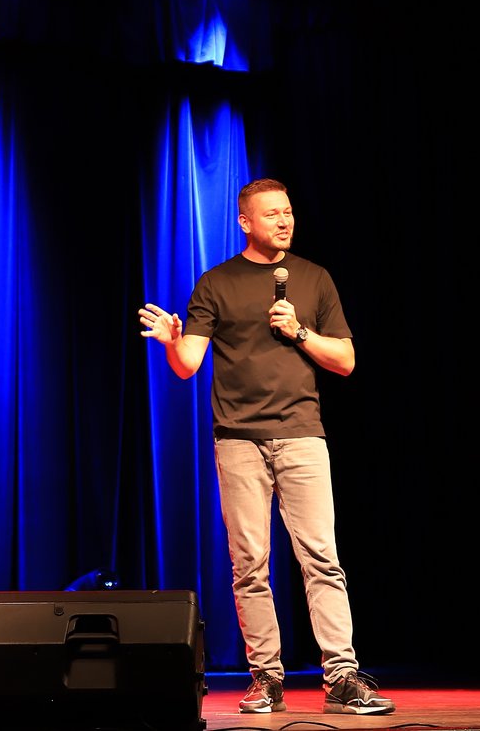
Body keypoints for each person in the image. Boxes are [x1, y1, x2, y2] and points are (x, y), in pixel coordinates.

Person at [138, 178, 395, 716]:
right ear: (245, 222)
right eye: (272, 213)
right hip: (238, 441)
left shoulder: (314, 278)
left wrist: (299, 331)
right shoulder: (217, 283)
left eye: (289, 212)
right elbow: (187, 365)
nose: (284, 221)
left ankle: (342, 676)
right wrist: (171, 342)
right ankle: (266, 678)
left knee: (322, 559)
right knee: (250, 565)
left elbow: (345, 360)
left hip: (302, 436)